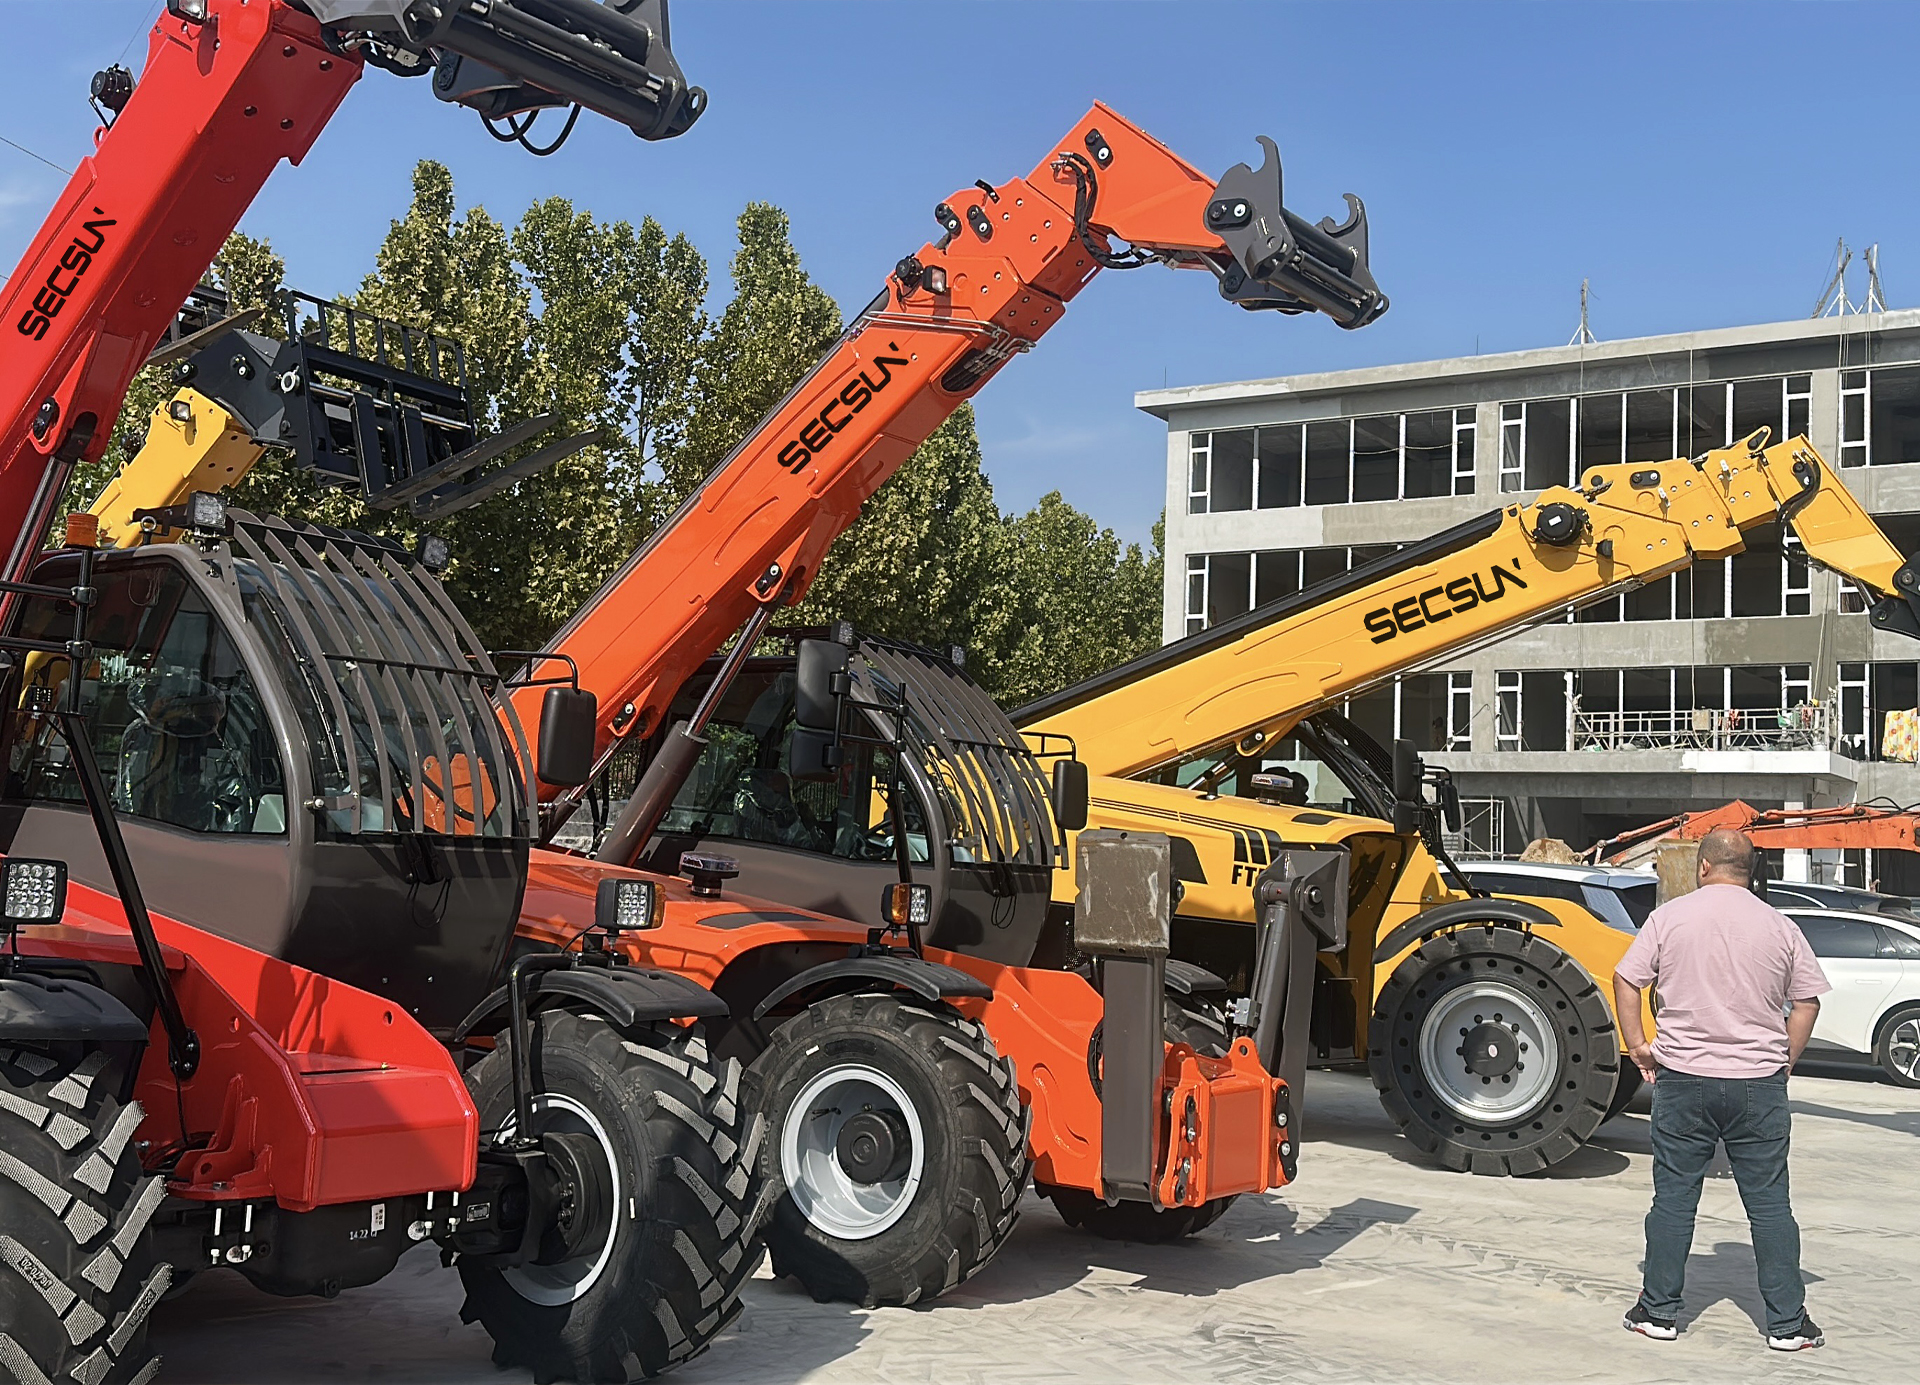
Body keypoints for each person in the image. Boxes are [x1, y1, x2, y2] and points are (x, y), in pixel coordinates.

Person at [1613, 828, 1831, 1351]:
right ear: (1749, 870)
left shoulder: (1668, 918)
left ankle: (1659, 1313)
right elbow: (1807, 1002)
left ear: (1703, 867)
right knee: (1770, 1205)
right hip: (1758, 1084)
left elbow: (1626, 978)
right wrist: (1784, 1060)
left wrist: (1639, 1045)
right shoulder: (1780, 925)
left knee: (1674, 1200)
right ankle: (1786, 1324)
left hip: (1684, 1081)